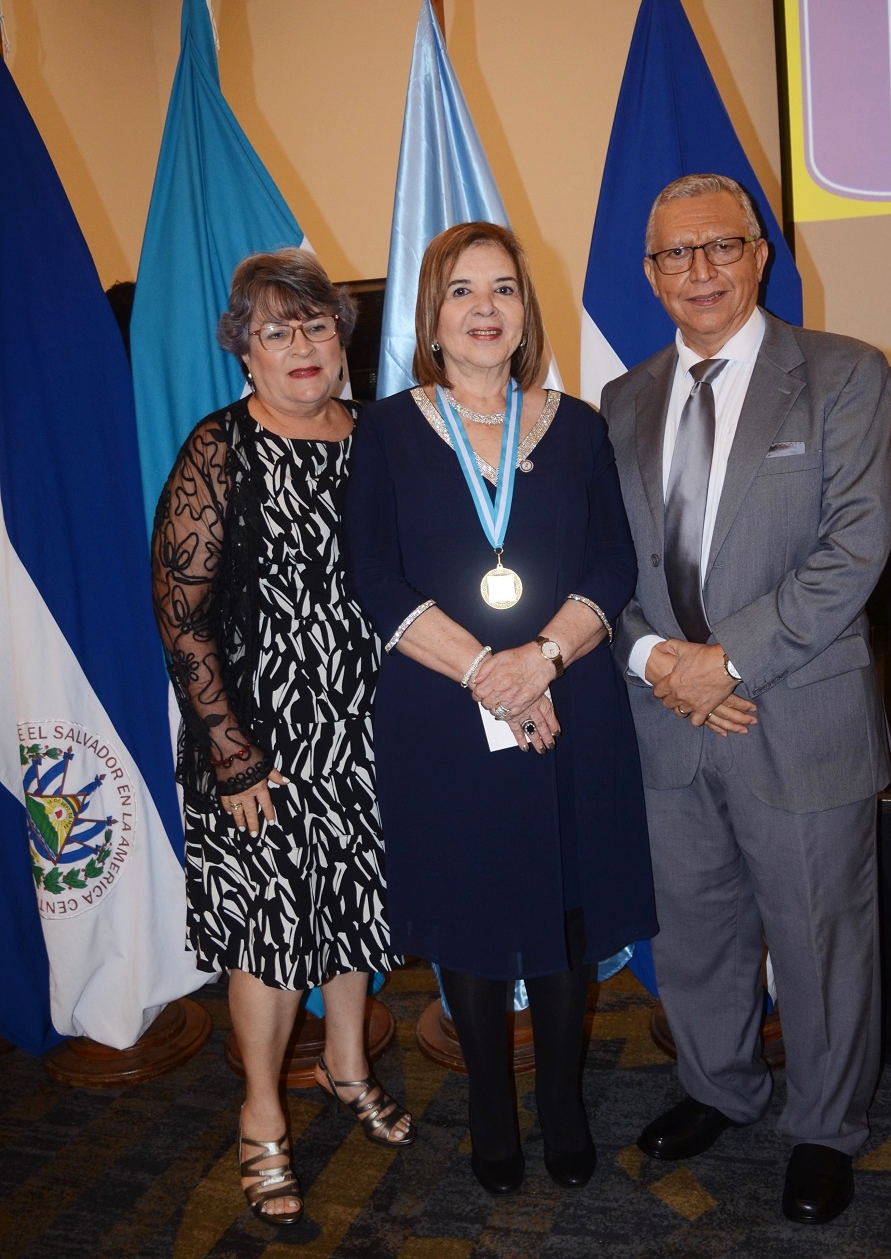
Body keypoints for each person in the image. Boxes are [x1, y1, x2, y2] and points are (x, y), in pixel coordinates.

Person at [599, 174, 891, 1225]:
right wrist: (653, 664)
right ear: (649, 274)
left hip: (793, 712)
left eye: (719, 247)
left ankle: (824, 1126)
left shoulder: (843, 376)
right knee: (696, 930)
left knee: (819, 936)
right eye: (674, 255)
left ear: (759, 253)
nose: (699, 271)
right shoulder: (623, 399)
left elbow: (853, 549)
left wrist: (722, 662)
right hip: (668, 722)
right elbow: (607, 569)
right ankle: (718, 1085)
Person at [343, 221, 656, 1195]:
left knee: (565, 914)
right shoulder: (386, 430)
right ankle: (488, 1104)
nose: (485, 308)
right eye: (462, 290)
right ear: (432, 318)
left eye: (505, 289)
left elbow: (612, 563)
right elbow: (374, 577)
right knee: (474, 914)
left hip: (571, 704)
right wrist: (489, 671)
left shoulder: (580, 425)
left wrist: (543, 658)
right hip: (443, 714)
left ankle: (559, 1104)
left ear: (526, 312)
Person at [151, 249, 414, 1229]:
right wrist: (230, 748)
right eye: (277, 330)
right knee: (269, 932)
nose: (302, 345)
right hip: (256, 740)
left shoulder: (380, 438)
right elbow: (180, 612)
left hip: (367, 728)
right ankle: (260, 1113)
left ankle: (347, 1059)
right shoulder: (221, 448)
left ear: (341, 341)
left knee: (347, 900)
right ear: (245, 353)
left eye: (316, 327)